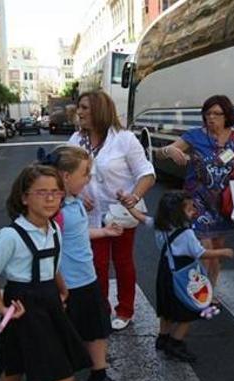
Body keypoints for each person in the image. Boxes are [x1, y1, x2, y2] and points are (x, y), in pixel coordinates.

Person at [0, 165, 127, 381]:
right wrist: (2, 307)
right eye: (41, 193)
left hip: (48, 299)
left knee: (13, 365)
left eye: (55, 193)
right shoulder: (10, 236)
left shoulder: (54, 228)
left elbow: (53, 263)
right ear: (24, 198)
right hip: (24, 305)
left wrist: (62, 288)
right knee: (63, 376)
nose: (50, 199)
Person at [44, 144, 134, 381]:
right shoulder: (54, 208)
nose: (88, 179)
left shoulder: (73, 201)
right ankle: (19, 374)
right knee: (54, 334)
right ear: (65, 176)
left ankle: (99, 375)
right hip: (67, 284)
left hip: (87, 278)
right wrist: (57, 284)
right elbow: (46, 246)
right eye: (85, 174)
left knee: (97, 326)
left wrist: (104, 232)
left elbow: (77, 234)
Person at [70, 90, 156, 331]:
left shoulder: (124, 139)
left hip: (120, 213)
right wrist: (76, 193)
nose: (80, 112)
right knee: (96, 264)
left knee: (122, 261)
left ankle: (125, 309)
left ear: (99, 109)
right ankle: (101, 310)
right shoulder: (76, 140)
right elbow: (61, 172)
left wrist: (135, 196)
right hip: (91, 216)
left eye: (85, 107)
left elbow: (146, 173)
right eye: (80, 107)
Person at [156, 95, 234, 299]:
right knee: (205, 247)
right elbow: (159, 154)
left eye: (216, 113)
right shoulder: (194, 136)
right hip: (197, 201)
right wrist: (170, 150)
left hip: (224, 202)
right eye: (208, 113)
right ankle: (200, 291)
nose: (211, 117)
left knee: (217, 249)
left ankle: (210, 290)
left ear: (227, 116)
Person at [151, 191, 234, 363]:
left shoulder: (161, 225)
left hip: (166, 272)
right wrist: (223, 252)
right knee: (189, 310)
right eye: (189, 209)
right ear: (177, 213)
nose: (194, 211)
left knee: (167, 309)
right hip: (183, 274)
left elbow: (142, 218)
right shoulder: (187, 234)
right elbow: (201, 253)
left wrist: (130, 207)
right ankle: (175, 344)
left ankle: (163, 338)